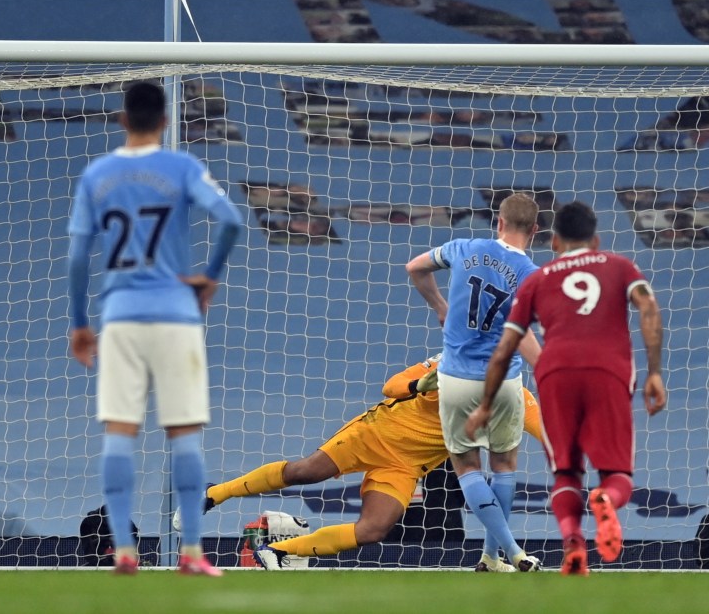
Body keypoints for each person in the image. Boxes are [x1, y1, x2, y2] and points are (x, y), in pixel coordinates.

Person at [67, 81, 243, 576]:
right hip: (175, 315)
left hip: (120, 316)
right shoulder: (182, 166)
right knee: (184, 435)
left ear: (122, 120)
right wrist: (209, 275)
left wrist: (80, 323)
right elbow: (230, 221)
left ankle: (123, 549)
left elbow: (79, 255)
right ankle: (190, 552)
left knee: (120, 434)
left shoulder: (98, 174)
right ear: (166, 121)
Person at [177, 354, 544, 571]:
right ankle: (212, 494)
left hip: (404, 468)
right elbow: (392, 385)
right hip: (374, 434)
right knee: (306, 472)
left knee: (372, 530)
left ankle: (276, 551)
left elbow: (548, 433)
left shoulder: (518, 398)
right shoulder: (450, 364)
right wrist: (420, 386)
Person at [466, 201, 666, 576]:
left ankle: (573, 541)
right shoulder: (620, 266)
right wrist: (654, 372)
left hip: (555, 374)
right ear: (597, 238)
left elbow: (506, 347)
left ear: (554, 241)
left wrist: (485, 404)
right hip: (608, 371)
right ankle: (606, 498)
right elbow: (648, 307)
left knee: (565, 475)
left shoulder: (538, 279)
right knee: (616, 473)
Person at [405, 192, 543, 572]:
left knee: (466, 468)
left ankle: (503, 554)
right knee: (504, 466)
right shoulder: (532, 276)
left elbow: (414, 267)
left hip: (456, 378)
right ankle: (501, 554)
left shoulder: (464, 247)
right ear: (534, 230)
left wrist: (439, 306)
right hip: (504, 382)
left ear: (498, 221)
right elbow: (526, 335)